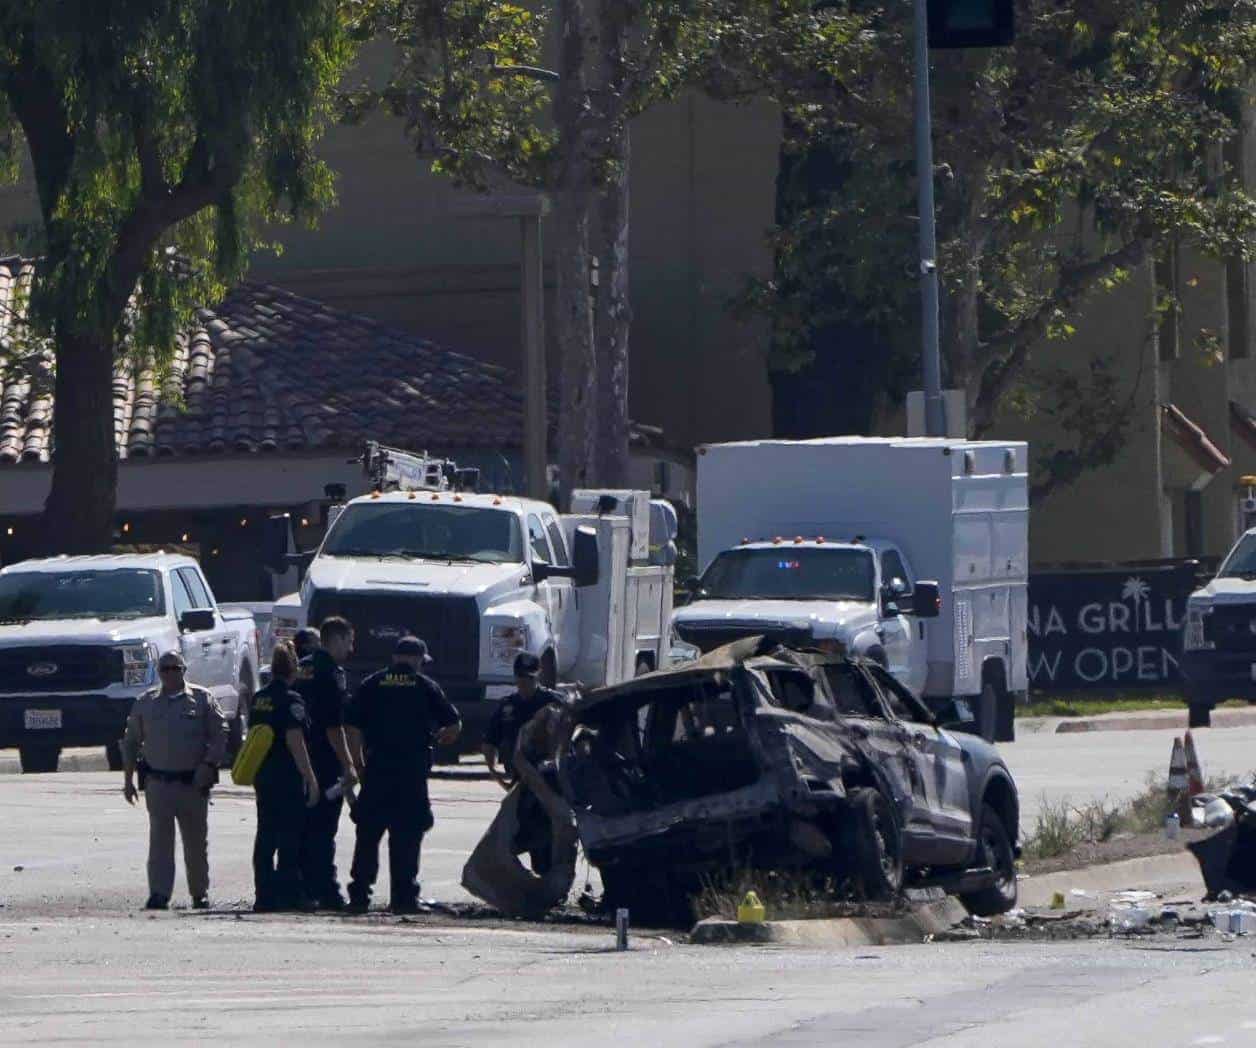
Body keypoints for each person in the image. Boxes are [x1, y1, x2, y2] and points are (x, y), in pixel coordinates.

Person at [344, 636, 460, 914]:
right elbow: (453, 724)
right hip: (411, 774)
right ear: (417, 659)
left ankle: (359, 897)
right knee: (407, 836)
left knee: (368, 835)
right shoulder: (425, 686)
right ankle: (403, 898)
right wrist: (442, 737)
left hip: (376, 771)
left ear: (395, 658)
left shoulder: (371, 684)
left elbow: (352, 726)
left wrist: (358, 765)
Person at [121, 650, 226, 910]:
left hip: (193, 784)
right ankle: (159, 893)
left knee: (195, 844)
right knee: (159, 843)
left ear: (183, 670)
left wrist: (209, 764)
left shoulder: (202, 699)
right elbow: (131, 741)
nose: (169, 673)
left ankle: (199, 893)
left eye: (174, 668)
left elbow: (220, 734)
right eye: (164, 669)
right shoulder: (146, 702)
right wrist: (128, 780)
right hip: (158, 783)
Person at [250, 642, 321, 912]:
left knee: (265, 835)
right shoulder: (292, 700)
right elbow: (295, 740)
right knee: (289, 836)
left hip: (263, 774)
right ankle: (289, 894)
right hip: (286, 776)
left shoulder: (260, 698)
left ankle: (264, 895)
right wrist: (311, 778)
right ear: (293, 669)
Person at [296, 616, 359, 910]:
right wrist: (348, 764)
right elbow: (334, 726)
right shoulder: (332, 673)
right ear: (335, 640)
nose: (351, 648)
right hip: (324, 760)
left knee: (302, 826)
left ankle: (302, 888)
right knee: (323, 829)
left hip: (297, 758)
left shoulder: (302, 667)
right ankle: (326, 890)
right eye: (348, 641)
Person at [482, 652, 563, 790]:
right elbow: (490, 741)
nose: (524, 681)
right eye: (520, 676)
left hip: (550, 777)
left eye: (529, 677)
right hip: (519, 778)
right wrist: (494, 772)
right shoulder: (508, 706)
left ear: (538, 675)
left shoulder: (552, 701)